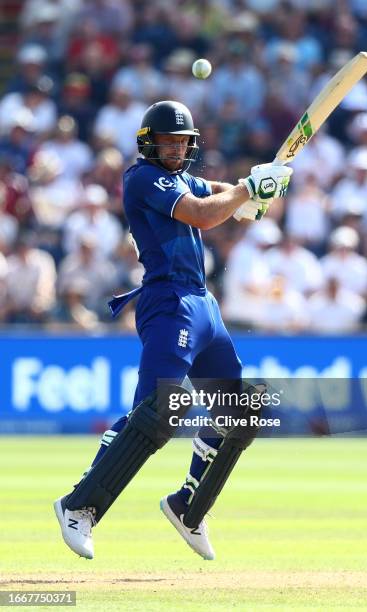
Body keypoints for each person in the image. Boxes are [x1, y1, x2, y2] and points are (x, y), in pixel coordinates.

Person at [54, 100, 292, 561]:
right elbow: (204, 214)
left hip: (203, 304)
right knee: (157, 413)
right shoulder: (142, 178)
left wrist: (259, 190)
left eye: (184, 142)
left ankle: (189, 506)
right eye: (169, 141)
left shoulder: (185, 178)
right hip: (168, 303)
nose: (177, 148)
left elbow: (226, 199)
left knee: (240, 413)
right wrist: (249, 188)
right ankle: (79, 504)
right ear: (149, 143)